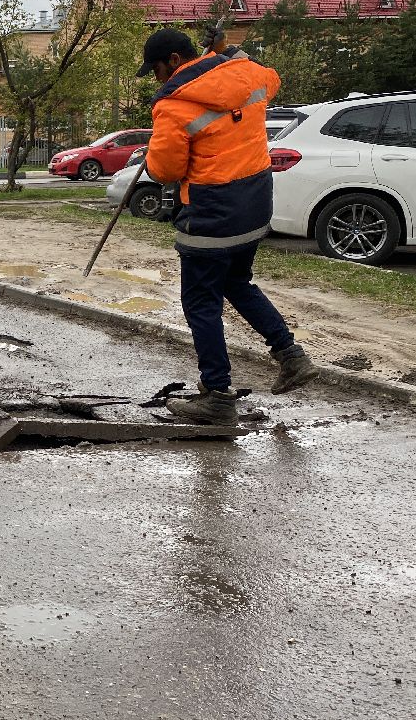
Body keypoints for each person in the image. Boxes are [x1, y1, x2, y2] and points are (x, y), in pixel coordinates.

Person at [136, 28, 317, 424]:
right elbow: (271, 76)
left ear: (172, 61)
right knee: (238, 283)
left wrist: (152, 157)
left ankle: (217, 396)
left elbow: (166, 170)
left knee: (201, 303)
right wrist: (231, 52)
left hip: (211, 213)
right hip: (253, 205)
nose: (157, 78)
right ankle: (291, 357)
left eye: (156, 69)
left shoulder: (174, 105)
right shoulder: (248, 75)